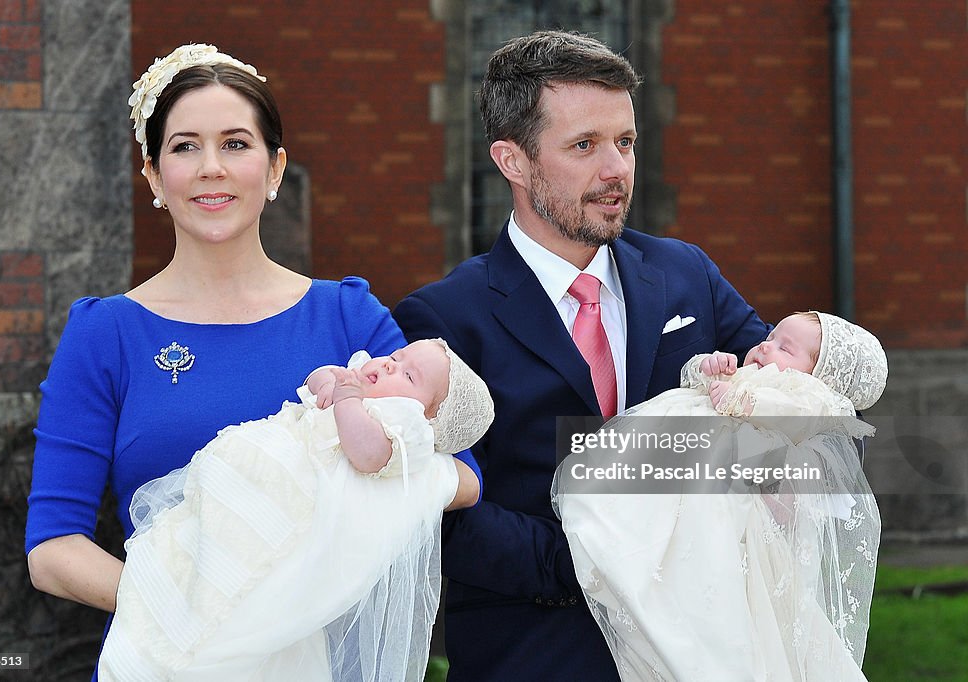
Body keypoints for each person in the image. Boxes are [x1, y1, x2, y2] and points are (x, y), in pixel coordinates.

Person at [24, 44, 481, 680]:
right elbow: (52, 549)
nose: (212, 168)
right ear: (154, 175)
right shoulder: (105, 335)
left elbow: (460, 470)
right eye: (185, 147)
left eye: (236, 143)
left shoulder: (346, 317)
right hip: (165, 662)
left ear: (274, 168)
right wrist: (190, 615)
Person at [393, 30, 772, 681]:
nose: (616, 169)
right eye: (584, 146)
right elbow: (439, 518)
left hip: (707, 650)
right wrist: (595, 560)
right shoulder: (442, 318)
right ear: (513, 161)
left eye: (624, 142)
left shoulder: (688, 276)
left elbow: (801, 419)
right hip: (538, 654)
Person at [98, 339, 494, 680]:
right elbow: (317, 379)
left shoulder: (406, 432)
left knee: (239, 583)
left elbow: (368, 455)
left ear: (430, 418)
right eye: (398, 355)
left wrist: (348, 402)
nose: (391, 364)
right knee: (191, 548)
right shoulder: (358, 378)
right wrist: (327, 380)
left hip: (288, 508)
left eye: (409, 377)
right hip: (249, 480)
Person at [553, 311, 887, 681]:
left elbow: (792, 415)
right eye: (771, 335)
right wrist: (710, 367)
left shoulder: (808, 398)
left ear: (818, 376)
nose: (764, 345)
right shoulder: (750, 374)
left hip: (726, 495)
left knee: (712, 577)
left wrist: (742, 398)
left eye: (784, 348)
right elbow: (694, 377)